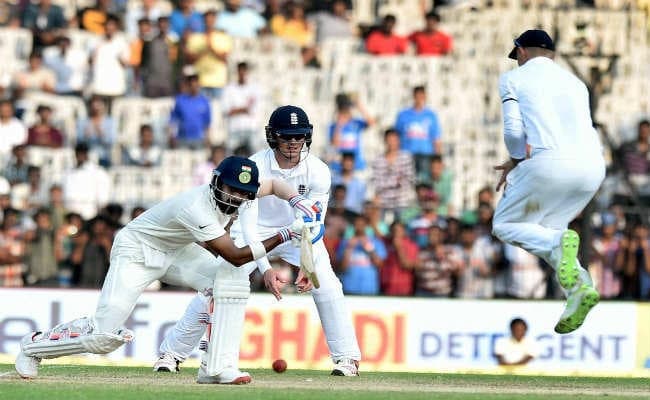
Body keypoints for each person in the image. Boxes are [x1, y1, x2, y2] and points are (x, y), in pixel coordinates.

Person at [15, 155, 317, 380]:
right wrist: (285, 234)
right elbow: (235, 255)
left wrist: (297, 200)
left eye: (242, 192)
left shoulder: (245, 193)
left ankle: (217, 367)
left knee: (231, 281)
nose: (235, 196)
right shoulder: (196, 206)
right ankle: (34, 346)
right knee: (103, 338)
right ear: (216, 182)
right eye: (231, 189)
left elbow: (274, 184)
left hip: (176, 251)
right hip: (137, 251)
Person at [154, 105, 362, 378]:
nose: (293, 143)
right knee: (217, 286)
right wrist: (266, 269)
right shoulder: (255, 167)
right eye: (286, 136)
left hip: (299, 233)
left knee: (327, 285)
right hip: (255, 229)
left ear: (307, 137)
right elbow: (248, 227)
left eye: (298, 136)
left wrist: (307, 265)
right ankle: (171, 354)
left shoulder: (319, 171)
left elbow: (313, 223)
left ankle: (347, 358)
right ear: (273, 136)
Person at [491, 30, 605, 334]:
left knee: (504, 224)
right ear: (551, 54)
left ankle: (558, 243)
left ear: (521, 51)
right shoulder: (576, 83)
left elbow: (513, 132)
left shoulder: (513, 78)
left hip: (551, 163)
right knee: (550, 230)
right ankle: (579, 289)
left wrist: (516, 159)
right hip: (593, 168)